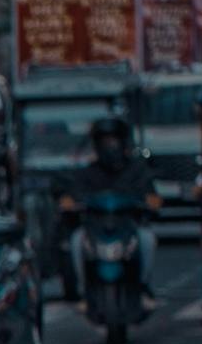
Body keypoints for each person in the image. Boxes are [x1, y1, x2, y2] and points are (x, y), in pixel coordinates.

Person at [59, 115, 161, 299]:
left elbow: (151, 195)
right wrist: (69, 203)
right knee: (76, 241)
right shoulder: (87, 173)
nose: (110, 146)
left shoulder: (137, 170)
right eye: (105, 141)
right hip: (95, 230)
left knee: (147, 239)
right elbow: (72, 195)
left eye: (114, 140)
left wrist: (151, 202)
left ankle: (143, 284)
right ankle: (83, 288)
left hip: (128, 228)